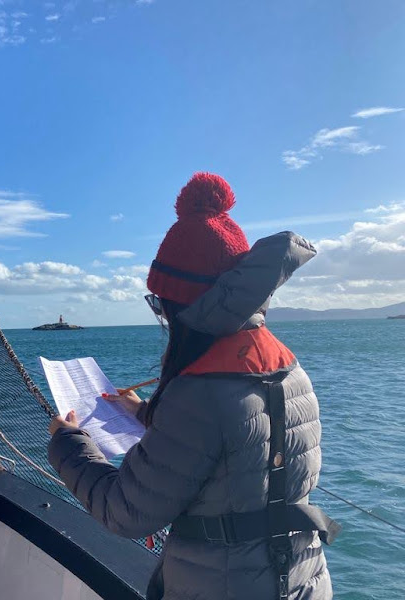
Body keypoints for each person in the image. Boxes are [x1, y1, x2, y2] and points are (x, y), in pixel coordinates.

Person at [48, 173, 338, 600]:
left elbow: (125, 511)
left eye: (161, 305)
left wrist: (68, 443)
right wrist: (147, 412)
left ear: (187, 306)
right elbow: (238, 446)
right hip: (303, 581)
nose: (163, 317)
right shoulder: (290, 370)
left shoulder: (198, 397)